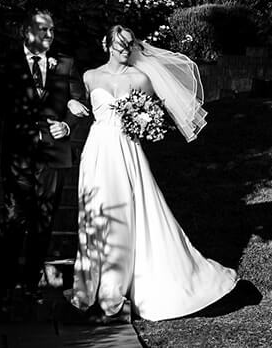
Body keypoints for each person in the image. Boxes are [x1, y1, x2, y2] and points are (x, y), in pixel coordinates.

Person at [69, 25, 238, 323]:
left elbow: (155, 115)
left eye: (129, 44)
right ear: (106, 44)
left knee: (122, 215)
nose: (124, 49)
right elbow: (88, 110)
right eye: (119, 44)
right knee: (93, 211)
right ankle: (86, 286)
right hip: (96, 152)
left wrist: (143, 122)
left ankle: (113, 292)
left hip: (126, 153)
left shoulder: (141, 78)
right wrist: (74, 106)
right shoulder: (90, 76)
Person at [0, 8, 89, 311]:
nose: (49, 35)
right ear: (25, 32)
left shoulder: (65, 64)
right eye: (43, 30)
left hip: (54, 156)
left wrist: (67, 124)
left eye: (52, 30)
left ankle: (29, 286)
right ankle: (4, 288)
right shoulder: (7, 66)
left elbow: (80, 102)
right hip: (18, 156)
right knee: (15, 219)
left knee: (44, 223)